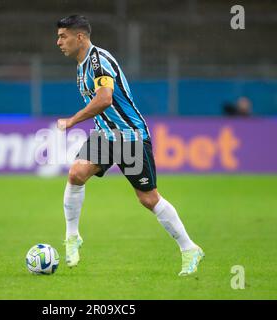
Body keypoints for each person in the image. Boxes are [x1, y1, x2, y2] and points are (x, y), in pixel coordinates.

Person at [56, 15, 204, 276]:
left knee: (148, 198)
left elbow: (104, 100)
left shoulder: (98, 61)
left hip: (130, 136)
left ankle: (189, 248)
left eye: (63, 36)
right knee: (76, 174)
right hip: (105, 135)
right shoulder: (81, 67)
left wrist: (72, 121)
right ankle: (72, 237)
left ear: (80, 37)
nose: (58, 42)